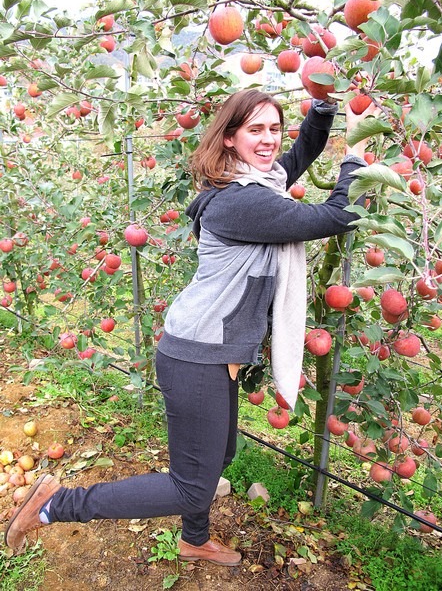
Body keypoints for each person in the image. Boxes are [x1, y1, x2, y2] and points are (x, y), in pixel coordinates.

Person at [4, 89, 375, 566]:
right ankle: (57, 505)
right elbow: (338, 216)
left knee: (216, 459)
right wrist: (356, 162)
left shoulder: (257, 183)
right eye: (254, 130)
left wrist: (322, 108)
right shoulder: (243, 203)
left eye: (274, 128)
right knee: (189, 484)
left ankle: (194, 539)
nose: (268, 140)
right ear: (227, 139)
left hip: (211, 350)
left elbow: (298, 155)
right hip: (197, 353)